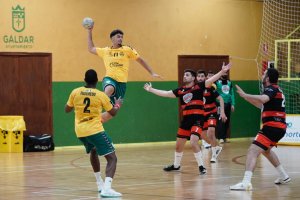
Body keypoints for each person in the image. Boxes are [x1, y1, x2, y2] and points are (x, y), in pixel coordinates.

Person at [144, 63, 231, 174]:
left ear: (193, 78)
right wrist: (150, 89)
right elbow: (166, 93)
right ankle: (176, 166)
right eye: (184, 75)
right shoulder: (181, 90)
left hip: (198, 120)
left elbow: (212, 79)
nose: (185, 76)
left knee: (194, 142)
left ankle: (201, 167)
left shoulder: (199, 86)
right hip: (186, 121)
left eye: (187, 75)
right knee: (178, 146)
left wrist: (222, 72)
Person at [230, 68, 291, 191]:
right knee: (266, 150)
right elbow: (262, 105)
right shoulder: (277, 90)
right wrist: (245, 97)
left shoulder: (271, 88)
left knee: (252, 151)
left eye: (264, 74)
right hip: (279, 127)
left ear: (267, 78)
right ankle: (283, 176)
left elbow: (263, 99)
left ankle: (246, 183)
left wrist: (246, 94)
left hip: (272, 127)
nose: (262, 76)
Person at [65, 69, 123, 197]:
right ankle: (107, 188)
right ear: (97, 81)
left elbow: (67, 109)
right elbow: (112, 113)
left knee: (94, 151)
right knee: (112, 158)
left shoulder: (75, 92)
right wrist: (118, 105)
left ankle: (99, 184)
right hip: (94, 129)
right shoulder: (100, 95)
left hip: (80, 131)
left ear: (84, 80)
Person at [85, 26, 161, 121]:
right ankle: (94, 108)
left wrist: (152, 72)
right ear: (112, 38)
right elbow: (91, 48)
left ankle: (94, 121)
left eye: (121, 37)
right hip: (110, 78)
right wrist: (89, 31)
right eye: (118, 36)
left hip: (122, 84)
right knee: (110, 88)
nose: (120, 38)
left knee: (111, 114)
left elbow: (140, 60)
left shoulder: (127, 49)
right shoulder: (105, 51)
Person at [197, 70, 227, 163]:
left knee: (211, 133)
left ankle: (214, 156)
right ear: (196, 78)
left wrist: (222, 112)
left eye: (202, 76)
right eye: (199, 76)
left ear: (205, 78)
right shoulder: (195, 89)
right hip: (202, 114)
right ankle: (216, 147)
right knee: (203, 135)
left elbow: (221, 98)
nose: (200, 78)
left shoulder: (210, 87)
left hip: (211, 112)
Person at [215, 71, 235, 143]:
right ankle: (220, 138)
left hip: (228, 104)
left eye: (226, 73)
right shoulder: (217, 82)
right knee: (220, 120)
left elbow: (232, 93)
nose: (225, 74)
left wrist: (233, 104)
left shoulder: (229, 82)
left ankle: (224, 137)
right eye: (223, 73)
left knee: (227, 120)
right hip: (220, 104)